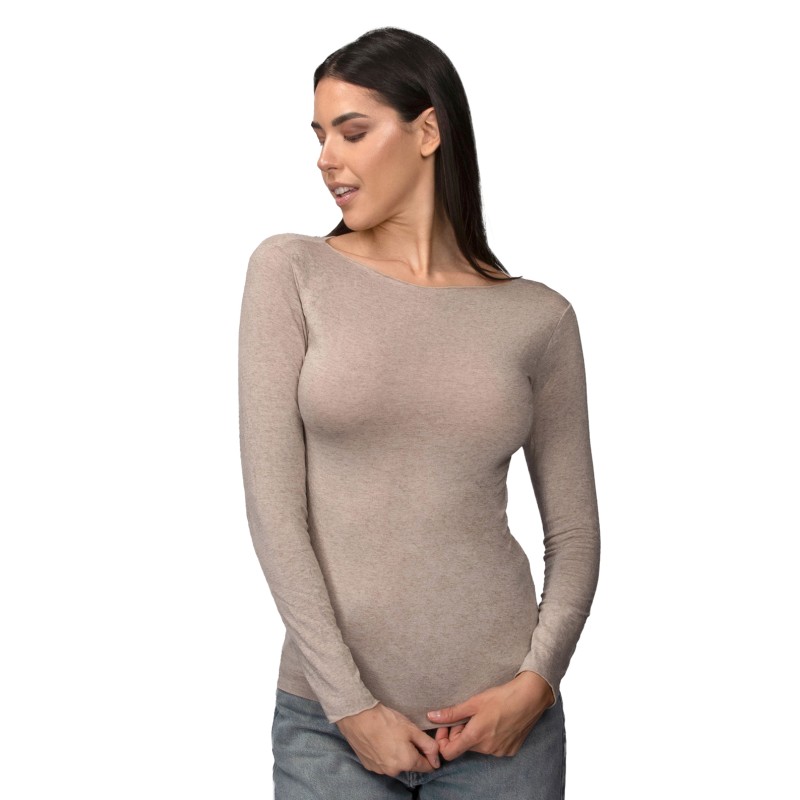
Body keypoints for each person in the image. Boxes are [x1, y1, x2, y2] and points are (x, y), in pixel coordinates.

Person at [238, 26, 600, 800]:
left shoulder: (538, 317)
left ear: (428, 130)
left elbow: (574, 534)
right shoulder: (291, 271)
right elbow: (274, 512)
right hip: (328, 728)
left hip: (505, 728)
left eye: (352, 132)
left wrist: (536, 682)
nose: (325, 157)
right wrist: (350, 706)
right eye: (318, 135)